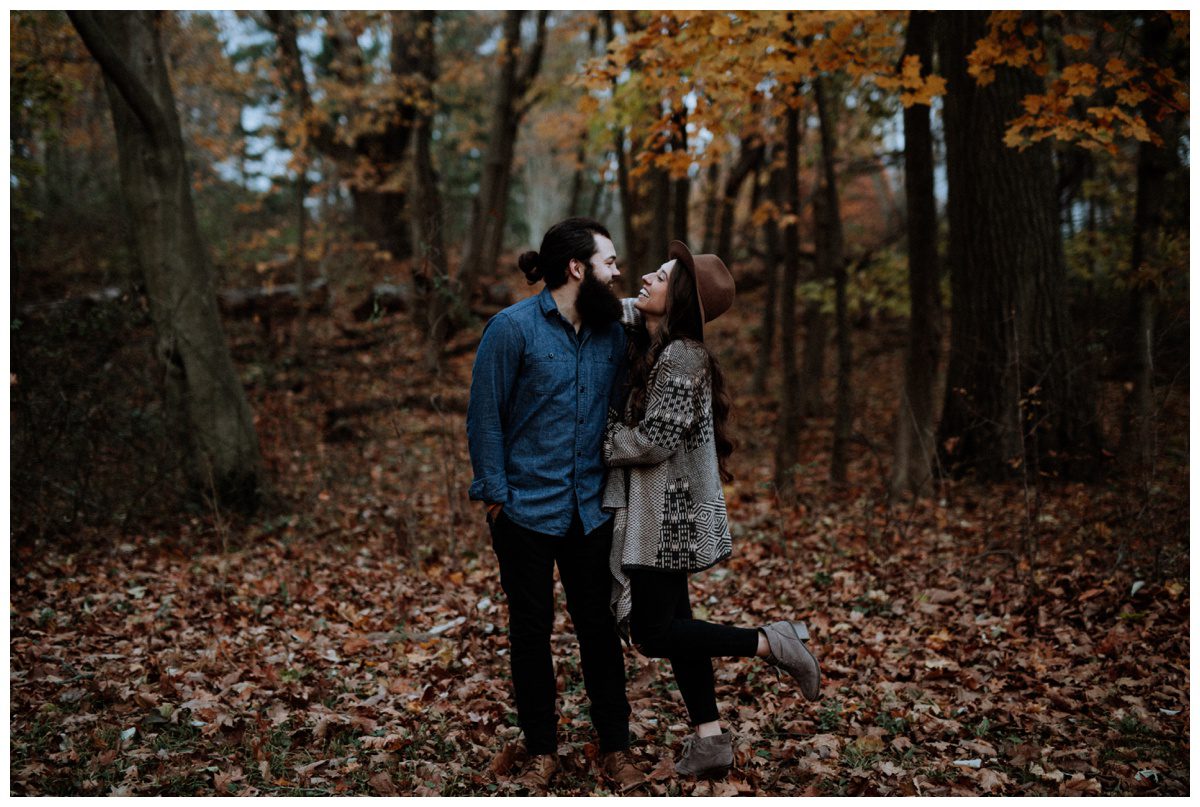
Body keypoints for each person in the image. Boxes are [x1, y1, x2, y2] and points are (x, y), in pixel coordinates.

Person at [603, 240, 822, 779]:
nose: (648, 276)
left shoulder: (683, 355)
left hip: (668, 517)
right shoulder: (656, 343)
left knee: (654, 635)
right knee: (679, 624)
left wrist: (603, 439)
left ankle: (770, 641)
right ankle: (710, 740)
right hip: (660, 510)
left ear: (679, 299)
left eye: (662, 275)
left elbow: (654, 440)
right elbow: (616, 307)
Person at [466, 217, 643, 793]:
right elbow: (485, 418)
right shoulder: (511, 329)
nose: (618, 272)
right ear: (576, 268)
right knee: (530, 632)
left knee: (598, 630)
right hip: (523, 513)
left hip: (590, 511)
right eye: (609, 262)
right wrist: (496, 499)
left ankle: (614, 747)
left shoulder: (612, 331)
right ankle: (541, 749)